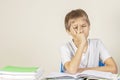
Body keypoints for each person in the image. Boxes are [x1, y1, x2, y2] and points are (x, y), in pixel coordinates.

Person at [60, 9, 118, 74]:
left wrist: (83, 70)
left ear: (89, 26)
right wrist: (82, 43)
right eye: (75, 27)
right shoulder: (65, 48)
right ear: (68, 31)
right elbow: (72, 70)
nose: (80, 30)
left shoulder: (97, 44)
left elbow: (114, 69)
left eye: (83, 26)